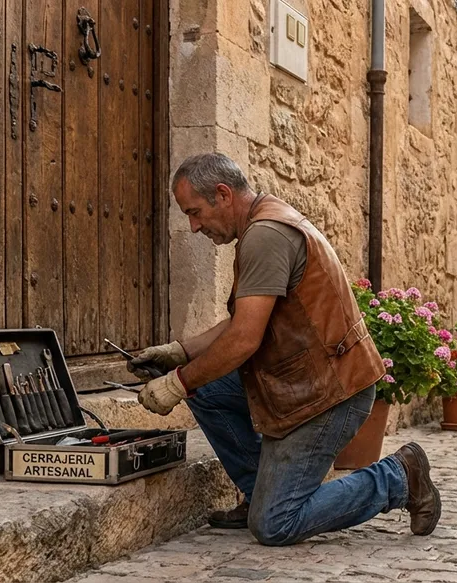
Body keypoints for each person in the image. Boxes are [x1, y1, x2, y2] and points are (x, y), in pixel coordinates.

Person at [128, 153, 440, 546]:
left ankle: (399, 476)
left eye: (195, 212)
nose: (193, 227)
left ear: (223, 194)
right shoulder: (263, 225)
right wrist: (180, 352)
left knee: (275, 524)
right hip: (305, 382)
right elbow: (245, 320)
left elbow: (244, 338)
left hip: (332, 394)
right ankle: (261, 491)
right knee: (206, 389)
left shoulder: (265, 235)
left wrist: (177, 384)